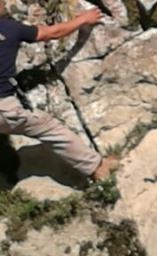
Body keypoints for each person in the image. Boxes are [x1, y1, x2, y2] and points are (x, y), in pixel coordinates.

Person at [0, 2, 117, 181]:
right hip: (4, 107)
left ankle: (8, 175)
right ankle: (97, 168)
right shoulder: (8, 28)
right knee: (50, 129)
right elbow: (52, 32)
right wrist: (83, 19)